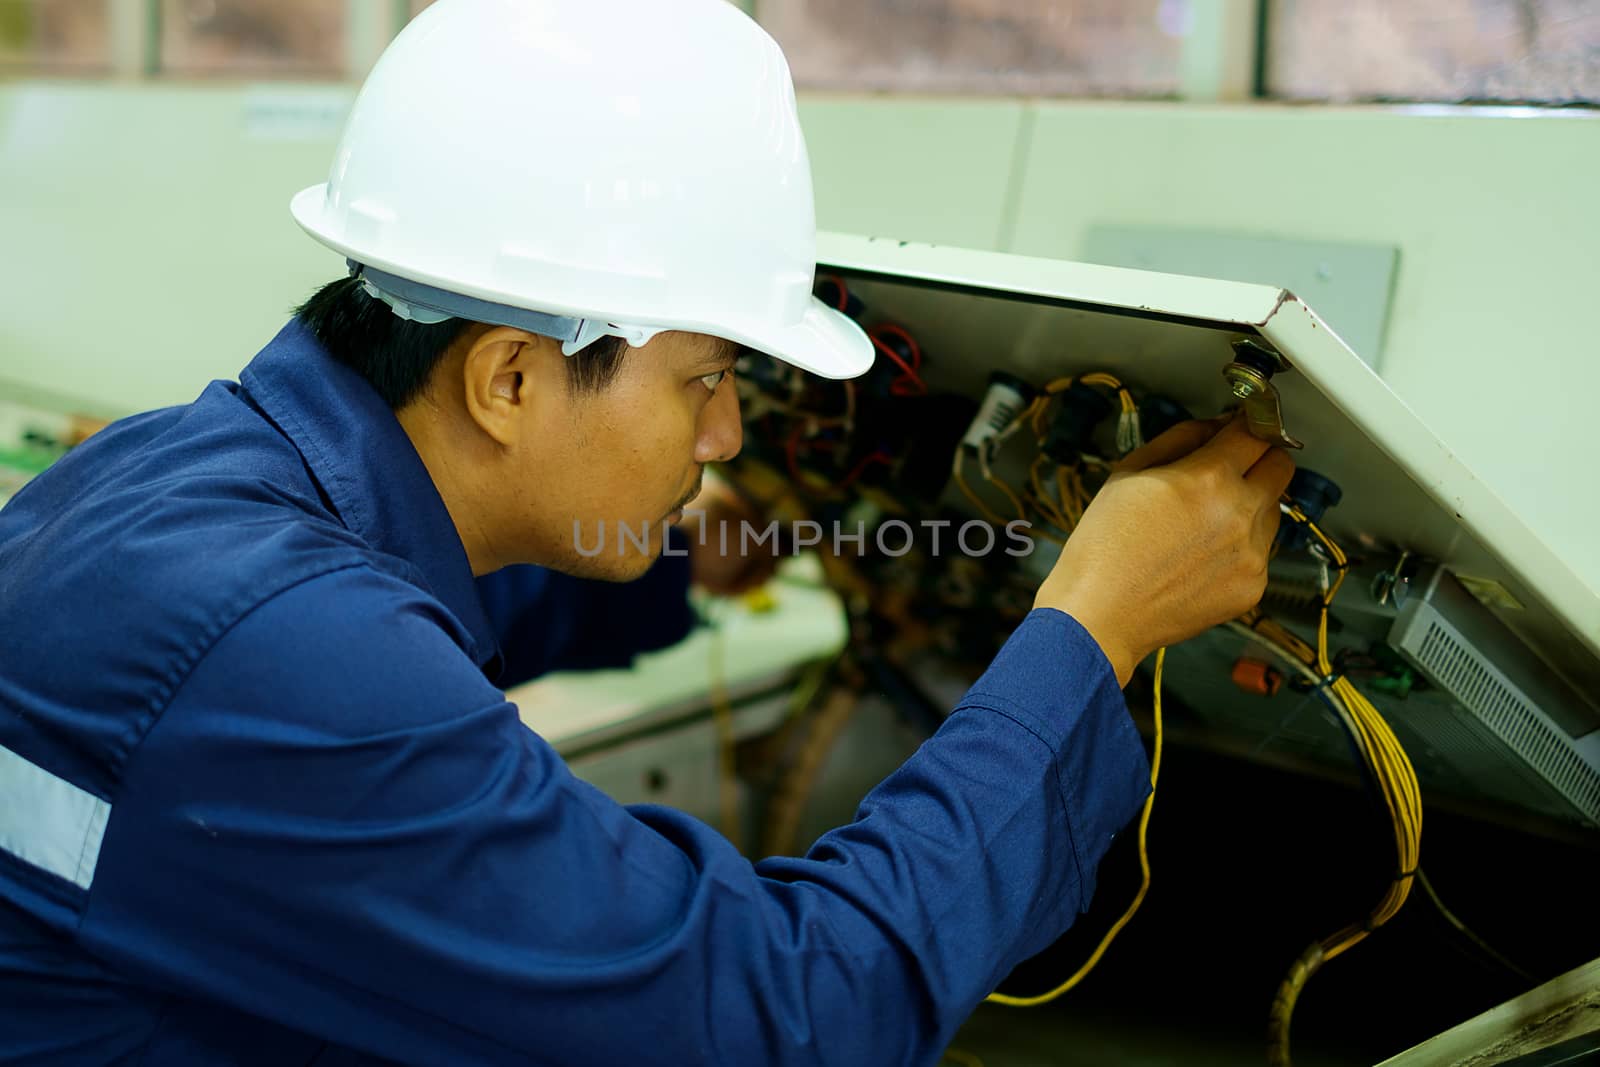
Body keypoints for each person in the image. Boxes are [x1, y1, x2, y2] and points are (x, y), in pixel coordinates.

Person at [0, 0, 1293, 1063]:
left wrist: (713, 556)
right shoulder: (282, 652)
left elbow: (425, 596)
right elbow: (789, 1020)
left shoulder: (163, 479)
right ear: (511, 376)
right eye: (706, 379)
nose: (730, 433)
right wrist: (1089, 632)